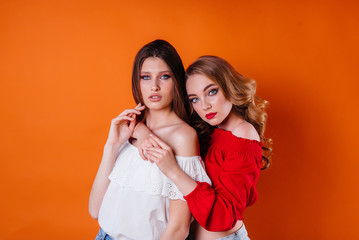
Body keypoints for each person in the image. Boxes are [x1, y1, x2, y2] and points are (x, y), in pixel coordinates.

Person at [138, 55, 271, 240]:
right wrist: (143, 133)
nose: (205, 106)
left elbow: (223, 216)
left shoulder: (243, 134)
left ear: (228, 87)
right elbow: (144, 119)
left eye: (212, 92)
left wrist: (174, 171)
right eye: (194, 99)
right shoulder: (209, 128)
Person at [88, 40, 210, 240]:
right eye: (145, 77)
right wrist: (113, 145)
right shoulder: (131, 129)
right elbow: (94, 210)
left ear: (177, 81)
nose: (154, 86)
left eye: (164, 77)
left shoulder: (183, 137)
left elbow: (179, 228)